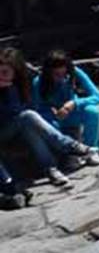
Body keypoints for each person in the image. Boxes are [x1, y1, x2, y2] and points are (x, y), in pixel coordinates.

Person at [0, 47, 91, 187]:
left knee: (29, 127)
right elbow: (11, 113)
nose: (1, 75)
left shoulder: (23, 83)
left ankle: (51, 170)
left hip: (21, 126)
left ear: (16, 72)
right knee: (27, 117)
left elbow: (30, 106)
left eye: (5, 72)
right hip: (4, 131)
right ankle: (70, 145)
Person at [32, 50, 99, 163]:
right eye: (57, 75)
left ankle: (91, 151)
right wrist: (51, 112)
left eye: (64, 74)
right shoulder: (38, 82)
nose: (61, 78)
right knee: (46, 121)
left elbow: (98, 97)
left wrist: (74, 103)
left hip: (72, 113)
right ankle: (65, 155)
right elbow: (36, 108)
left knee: (92, 112)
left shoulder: (75, 72)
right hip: (54, 120)